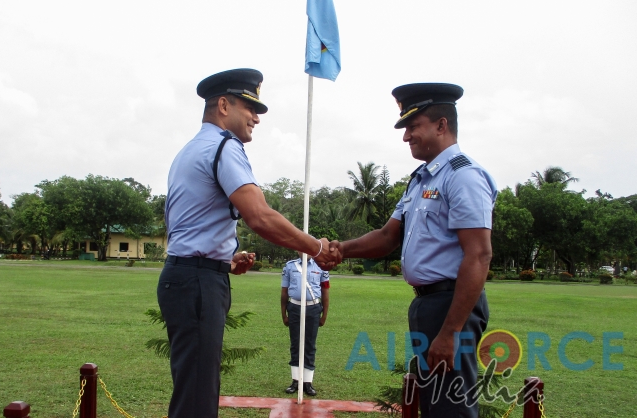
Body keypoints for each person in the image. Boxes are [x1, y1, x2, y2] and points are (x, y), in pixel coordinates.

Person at [157, 68, 340, 418]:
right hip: (197, 284)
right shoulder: (224, 147)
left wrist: (225, 261)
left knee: (194, 387)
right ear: (224, 106)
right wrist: (316, 249)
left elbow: (186, 227)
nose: (256, 117)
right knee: (197, 396)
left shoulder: (188, 151)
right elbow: (260, 216)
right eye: (250, 107)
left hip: (184, 277)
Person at [329, 83, 497, 417]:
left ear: (441, 125)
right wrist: (340, 249)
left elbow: (479, 254)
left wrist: (451, 332)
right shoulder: (422, 179)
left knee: (451, 408)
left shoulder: (463, 176)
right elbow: (388, 236)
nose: (406, 136)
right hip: (427, 305)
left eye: (413, 126)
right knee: (434, 405)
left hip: (453, 306)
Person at [281, 252, 330, 396]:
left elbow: (325, 291)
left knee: (310, 344)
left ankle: (308, 382)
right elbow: (284, 291)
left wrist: (324, 314)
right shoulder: (290, 266)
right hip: (295, 307)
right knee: (295, 344)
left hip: (313, 308)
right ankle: (295, 380)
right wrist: (284, 314)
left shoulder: (321, 267)